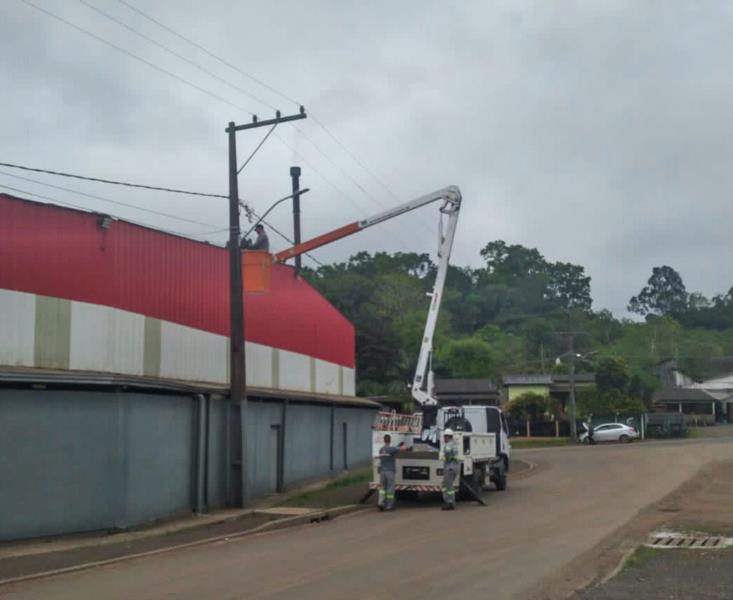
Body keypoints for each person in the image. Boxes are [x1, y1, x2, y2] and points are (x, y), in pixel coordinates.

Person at [377, 434, 406, 511]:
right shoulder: (391, 449)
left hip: (382, 472)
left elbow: (392, 450)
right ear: (390, 440)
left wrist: (397, 447)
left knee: (382, 489)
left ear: (384, 440)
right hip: (390, 472)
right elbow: (401, 449)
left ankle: (380, 503)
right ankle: (389, 506)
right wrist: (405, 447)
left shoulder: (381, 449)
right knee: (390, 489)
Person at [440, 428, 460, 510]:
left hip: (450, 467)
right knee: (446, 484)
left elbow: (448, 452)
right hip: (454, 467)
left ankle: (449, 502)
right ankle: (449, 501)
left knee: (448, 485)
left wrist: (447, 458)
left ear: (448, 437)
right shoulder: (454, 444)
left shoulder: (448, 445)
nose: (444, 438)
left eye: (445, 436)